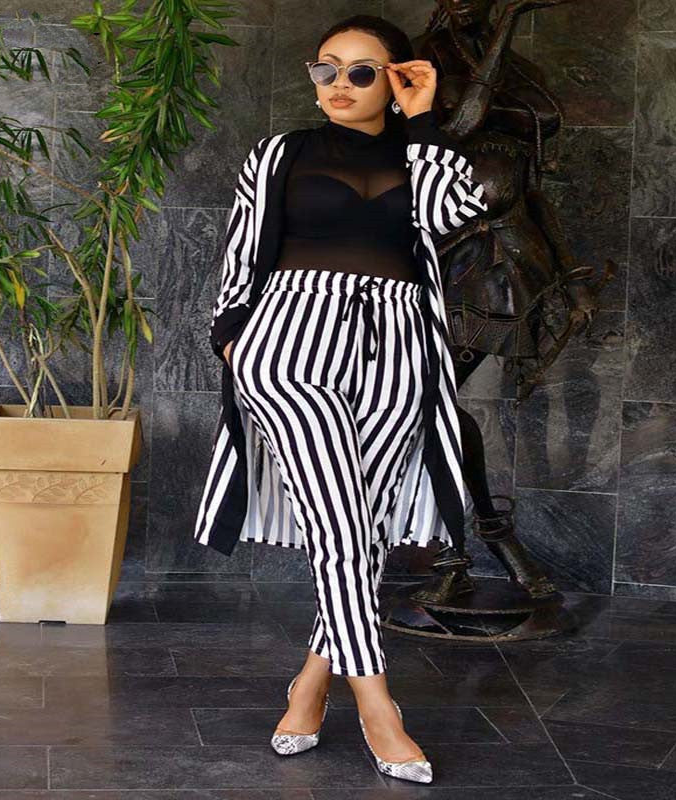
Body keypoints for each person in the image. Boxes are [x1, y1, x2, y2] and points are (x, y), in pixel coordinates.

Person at [195, 14, 488, 784]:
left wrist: (423, 122)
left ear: (397, 80)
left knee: (358, 528)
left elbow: (450, 214)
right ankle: (379, 707)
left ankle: (310, 684)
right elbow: (240, 256)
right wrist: (233, 339)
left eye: (362, 72)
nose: (339, 85)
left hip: (399, 349)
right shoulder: (280, 154)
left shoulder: (423, 155)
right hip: (291, 343)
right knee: (337, 524)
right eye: (326, 69)